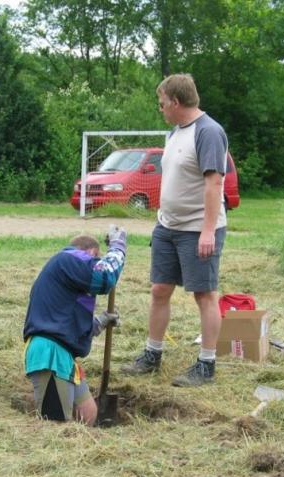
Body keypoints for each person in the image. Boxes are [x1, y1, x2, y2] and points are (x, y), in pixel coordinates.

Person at [121, 73, 228, 387]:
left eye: (162, 103)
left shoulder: (208, 132)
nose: (161, 109)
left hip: (197, 229)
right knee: (159, 291)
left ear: (177, 102)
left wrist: (208, 231)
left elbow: (214, 182)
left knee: (204, 295)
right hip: (167, 227)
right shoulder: (174, 133)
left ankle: (206, 365)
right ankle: (152, 355)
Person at [23, 227, 126, 425]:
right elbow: (105, 277)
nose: (94, 263)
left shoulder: (65, 274)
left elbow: (64, 318)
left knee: (89, 414)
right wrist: (117, 247)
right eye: (95, 259)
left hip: (65, 356)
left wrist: (98, 323)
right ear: (90, 253)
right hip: (49, 354)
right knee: (57, 425)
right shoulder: (69, 259)